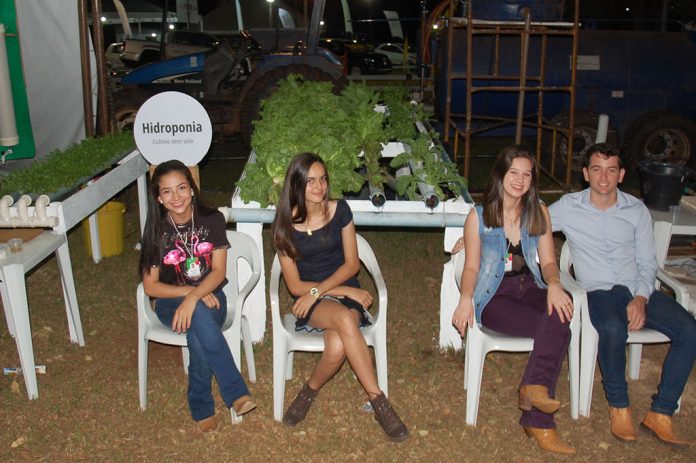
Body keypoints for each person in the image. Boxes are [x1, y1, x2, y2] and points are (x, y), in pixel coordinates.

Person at [549, 143, 696, 446]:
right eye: (597, 169)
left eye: (611, 170)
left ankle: (661, 412)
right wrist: (476, 231)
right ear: (585, 173)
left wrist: (641, 298)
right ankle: (619, 407)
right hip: (598, 292)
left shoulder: (636, 210)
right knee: (614, 328)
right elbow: (528, 223)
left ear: (622, 174)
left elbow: (648, 262)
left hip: (636, 289)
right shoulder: (567, 207)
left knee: (689, 329)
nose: (604, 177)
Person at [271, 152, 409, 442]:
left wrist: (331, 290)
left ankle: (308, 391)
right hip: (312, 298)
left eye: (322, 179)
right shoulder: (284, 227)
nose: (319, 186)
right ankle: (380, 402)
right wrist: (337, 291)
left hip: (334, 291)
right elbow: (295, 286)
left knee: (335, 345)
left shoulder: (340, 211)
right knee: (345, 320)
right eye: (310, 181)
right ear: (296, 184)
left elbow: (351, 265)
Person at [452, 145, 575, 455]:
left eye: (527, 175)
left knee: (561, 308)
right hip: (495, 296)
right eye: (514, 173)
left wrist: (555, 284)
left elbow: (549, 261)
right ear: (500, 175)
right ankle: (540, 422)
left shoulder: (538, 211)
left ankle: (532, 389)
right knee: (558, 329)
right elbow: (471, 267)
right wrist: (465, 298)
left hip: (529, 286)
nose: (520, 181)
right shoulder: (480, 216)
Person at [139, 160, 257, 433]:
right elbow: (151, 287)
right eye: (167, 191)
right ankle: (235, 392)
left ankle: (201, 405)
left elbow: (218, 272)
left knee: (198, 324)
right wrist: (189, 294)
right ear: (158, 198)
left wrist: (195, 298)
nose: (176, 196)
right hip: (170, 304)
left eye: (181, 188)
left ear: (192, 189)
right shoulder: (156, 230)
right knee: (200, 319)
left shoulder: (212, 220)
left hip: (212, 297)